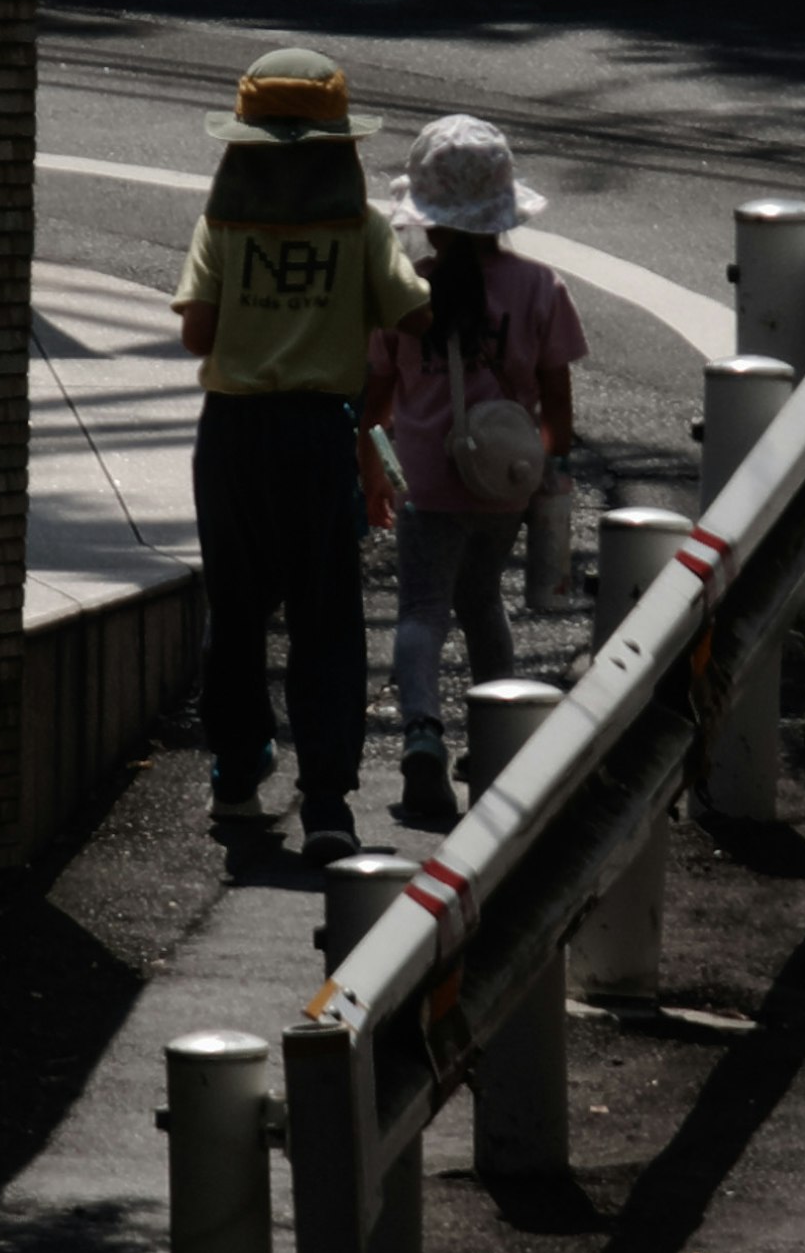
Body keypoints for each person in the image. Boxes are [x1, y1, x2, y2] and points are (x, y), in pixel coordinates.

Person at [170, 43, 429, 865]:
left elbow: (196, 332)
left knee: (238, 609)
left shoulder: (221, 225)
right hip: (319, 432)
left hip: (235, 431)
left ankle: (239, 771)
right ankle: (326, 803)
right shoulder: (362, 226)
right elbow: (414, 318)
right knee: (325, 617)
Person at [359, 114, 588, 833]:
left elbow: (374, 399)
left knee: (423, 610)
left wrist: (374, 469)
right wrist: (545, 469)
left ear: (428, 219)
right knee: (484, 601)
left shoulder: (407, 289)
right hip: (506, 476)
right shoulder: (537, 287)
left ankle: (423, 735)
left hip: (428, 479)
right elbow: (557, 398)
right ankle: (494, 736)